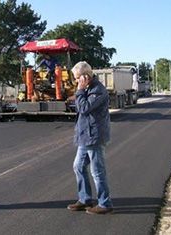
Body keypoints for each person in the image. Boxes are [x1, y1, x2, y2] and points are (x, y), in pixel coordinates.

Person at [67, 61, 113, 215]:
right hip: (85, 136)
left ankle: (105, 203)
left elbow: (84, 108)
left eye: (76, 78)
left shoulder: (98, 91)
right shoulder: (87, 89)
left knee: (97, 171)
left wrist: (79, 91)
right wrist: (80, 91)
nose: (75, 81)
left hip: (94, 136)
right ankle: (85, 198)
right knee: (78, 166)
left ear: (85, 77)